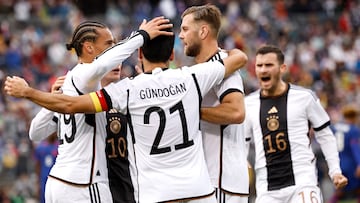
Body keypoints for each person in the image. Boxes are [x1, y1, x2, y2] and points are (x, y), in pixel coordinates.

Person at [4, 27, 247, 202]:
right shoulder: (190, 77)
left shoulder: (125, 90)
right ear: (172, 55)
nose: (117, 54)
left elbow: (65, 109)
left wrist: (41, 95)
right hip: (187, 190)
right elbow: (238, 59)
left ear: (139, 56)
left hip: (142, 189)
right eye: (111, 45)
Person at [19, 17, 173, 203]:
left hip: (92, 181)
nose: (115, 60)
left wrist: (53, 100)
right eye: (109, 46)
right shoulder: (85, 78)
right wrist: (141, 36)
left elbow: (35, 132)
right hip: (85, 183)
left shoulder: (115, 89)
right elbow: (36, 132)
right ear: (89, 48)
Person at [243, 45, 348, 203]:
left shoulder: (304, 97)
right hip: (267, 188)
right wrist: (242, 162)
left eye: (269, 65)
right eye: (259, 65)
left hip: (302, 183)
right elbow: (242, 141)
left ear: (282, 68)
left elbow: (325, 135)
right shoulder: (248, 103)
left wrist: (335, 171)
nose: (263, 70)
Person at [30, 69, 136, 203]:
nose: (117, 64)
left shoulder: (126, 93)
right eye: (110, 54)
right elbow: (35, 132)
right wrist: (53, 99)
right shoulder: (76, 98)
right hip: (90, 183)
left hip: (124, 182)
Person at [179, 4, 249, 203]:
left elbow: (236, 112)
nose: (180, 36)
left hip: (221, 181)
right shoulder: (207, 67)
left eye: (185, 29)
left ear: (203, 31)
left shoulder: (224, 65)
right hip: (209, 179)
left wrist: (192, 111)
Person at [329, 105, 360, 203]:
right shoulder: (354, 130)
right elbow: (355, 148)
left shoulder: (334, 127)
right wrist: (359, 164)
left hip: (337, 164)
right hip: (351, 164)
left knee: (339, 191)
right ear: (354, 116)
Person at [33, 133, 58, 203]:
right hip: (44, 178)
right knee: (44, 197)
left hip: (56, 177)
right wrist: (37, 181)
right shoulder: (40, 148)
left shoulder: (60, 147)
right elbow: (37, 165)